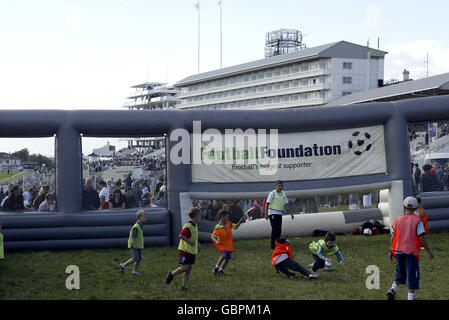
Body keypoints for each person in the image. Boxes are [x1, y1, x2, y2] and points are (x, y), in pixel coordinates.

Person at [387, 196, 433, 300]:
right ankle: (410, 298)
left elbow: (393, 236)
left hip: (398, 251)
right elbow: (421, 237)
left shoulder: (398, 219)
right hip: (411, 253)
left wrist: (391, 250)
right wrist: (429, 251)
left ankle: (393, 289)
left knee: (400, 271)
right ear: (416, 208)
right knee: (412, 274)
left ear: (404, 207)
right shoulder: (417, 221)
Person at [165, 207, 202, 291]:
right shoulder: (188, 226)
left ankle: (183, 286)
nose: (200, 217)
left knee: (189, 269)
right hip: (185, 250)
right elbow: (181, 235)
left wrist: (198, 244)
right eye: (199, 216)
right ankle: (172, 273)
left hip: (191, 251)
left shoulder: (195, 225)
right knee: (185, 268)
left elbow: (194, 237)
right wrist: (189, 241)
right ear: (195, 216)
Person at [211, 209, 245, 275]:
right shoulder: (218, 227)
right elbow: (212, 236)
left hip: (228, 245)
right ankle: (216, 268)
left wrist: (240, 221)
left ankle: (221, 270)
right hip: (222, 244)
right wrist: (216, 241)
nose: (228, 218)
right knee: (224, 255)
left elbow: (236, 227)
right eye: (227, 217)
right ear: (222, 216)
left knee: (227, 259)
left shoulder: (228, 223)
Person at [264, 180, 294, 250]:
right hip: (272, 213)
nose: (280, 187)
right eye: (279, 186)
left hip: (279, 213)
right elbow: (267, 203)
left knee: (279, 230)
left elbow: (286, 204)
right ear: (276, 186)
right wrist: (266, 214)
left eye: (281, 186)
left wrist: (291, 214)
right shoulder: (272, 193)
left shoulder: (283, 194)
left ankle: (278, 244)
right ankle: (273, 246)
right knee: (274, 229)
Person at [120, 210, 147, 275]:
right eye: (144, 217)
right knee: (135, 258)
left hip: (139, 245)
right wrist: (134, 245)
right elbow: (133, 237)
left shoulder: (140, 225)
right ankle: (123, 265)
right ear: (139, 218)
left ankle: (135, 271)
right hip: (134, 245)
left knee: (139, 258)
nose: (146, 219)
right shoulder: (136, 227)